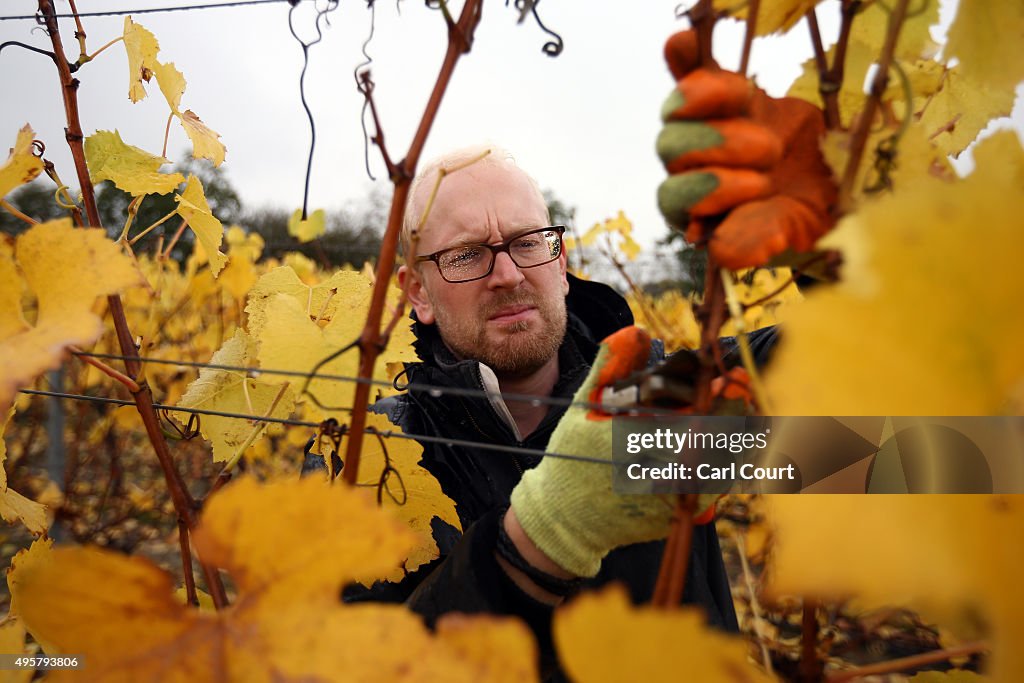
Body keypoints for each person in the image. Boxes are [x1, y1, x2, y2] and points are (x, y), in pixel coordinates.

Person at [304, 145, 762, 678]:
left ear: (561, 263)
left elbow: (865, 457)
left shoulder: (659, 405)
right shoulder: (363, 459)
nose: (508, 274)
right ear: (417, 293)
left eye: (528, 243)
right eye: (466, 254)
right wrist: (528, 550)